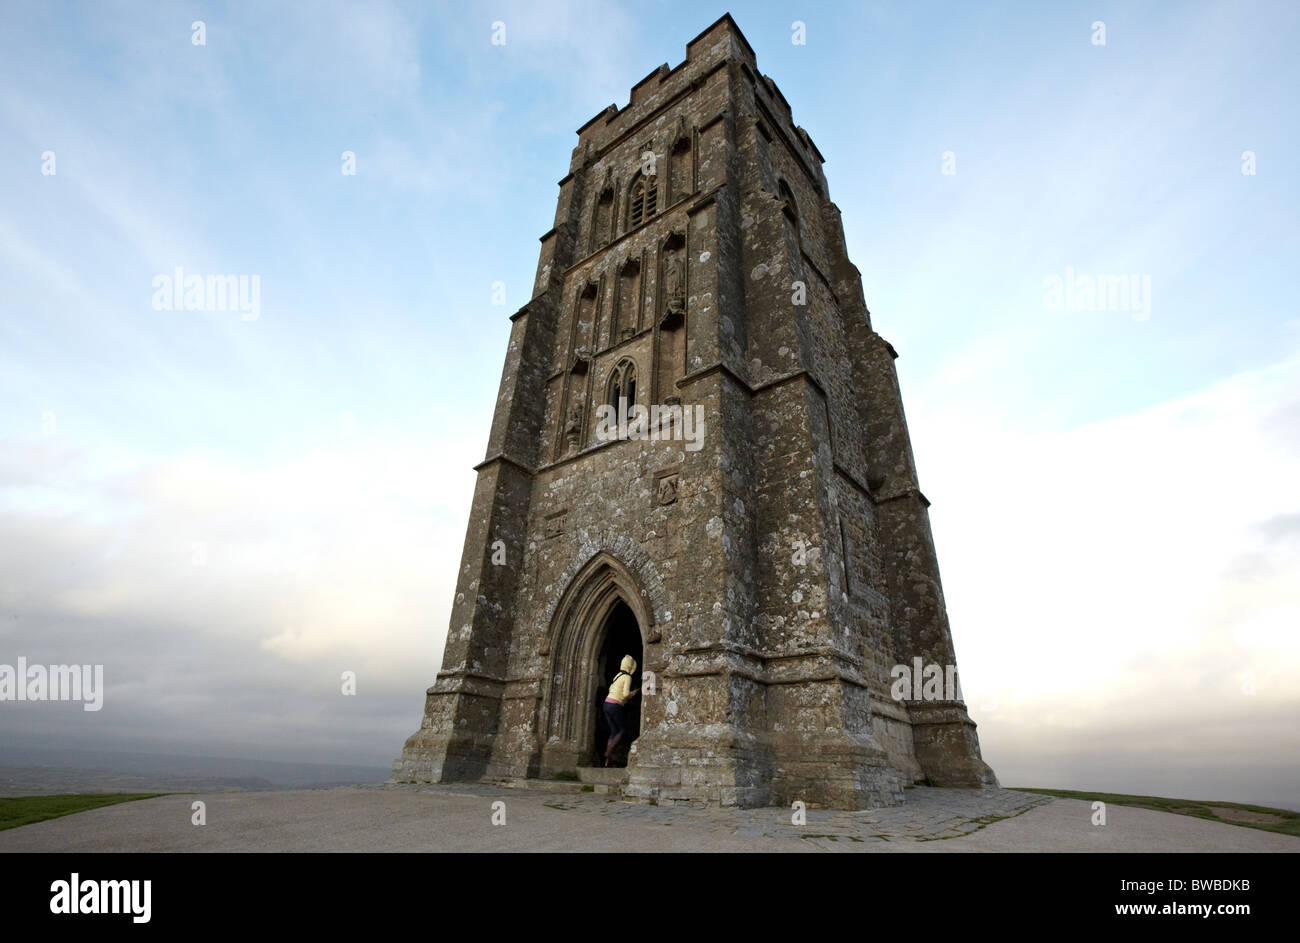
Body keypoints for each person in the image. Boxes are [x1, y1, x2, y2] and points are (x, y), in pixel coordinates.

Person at [602, 654, 639, 767]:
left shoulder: (617, 675)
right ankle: (608, 753)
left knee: (613, 731)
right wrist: (634, 693)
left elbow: (611, 689)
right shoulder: (627, 677)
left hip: (606, 704)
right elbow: (626, 694)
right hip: (615, 705)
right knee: (622, 730)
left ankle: (608, 758)